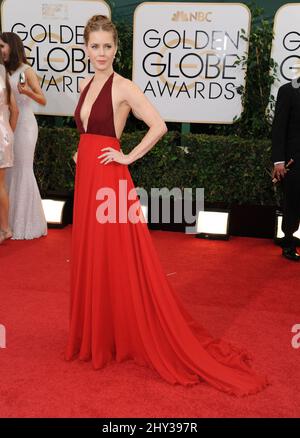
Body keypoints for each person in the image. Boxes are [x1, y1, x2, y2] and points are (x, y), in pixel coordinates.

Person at [65, 14, 269, 396]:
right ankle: (99, 332)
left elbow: (158, 126)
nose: (101, 53)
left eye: (108, 46)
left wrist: (126, 157)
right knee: (92, 253)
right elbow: (86, 132)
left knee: (117, 255)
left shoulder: (124, 87)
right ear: (86, 48)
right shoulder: (85, 82)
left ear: (116, 48)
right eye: (95, 46)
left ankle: (121, 333)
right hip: (87, 178)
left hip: (110, 180)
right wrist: (80, 153)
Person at [0, 32, 47, 240]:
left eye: (2, 46)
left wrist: (26, 91)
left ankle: (28, 224)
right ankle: (7, 224)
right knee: (8, 173)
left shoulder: (26, 70)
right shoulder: (3, 71)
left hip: (25, 125)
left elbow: (42, 99)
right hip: (7, 126)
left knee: (23, 170)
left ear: (12, 46)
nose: (0, 50)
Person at [272, 64, 300, 261]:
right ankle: (288, 242)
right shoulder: (288, 90)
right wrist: (278, 161)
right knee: (292, 202)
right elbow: (279, 129)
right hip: (293, 161)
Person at [0, 52, 18, 244]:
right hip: (3, 134)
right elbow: (16, 110)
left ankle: (4, 229)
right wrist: (9, 132)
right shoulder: (5, 74)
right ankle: (5, 229)